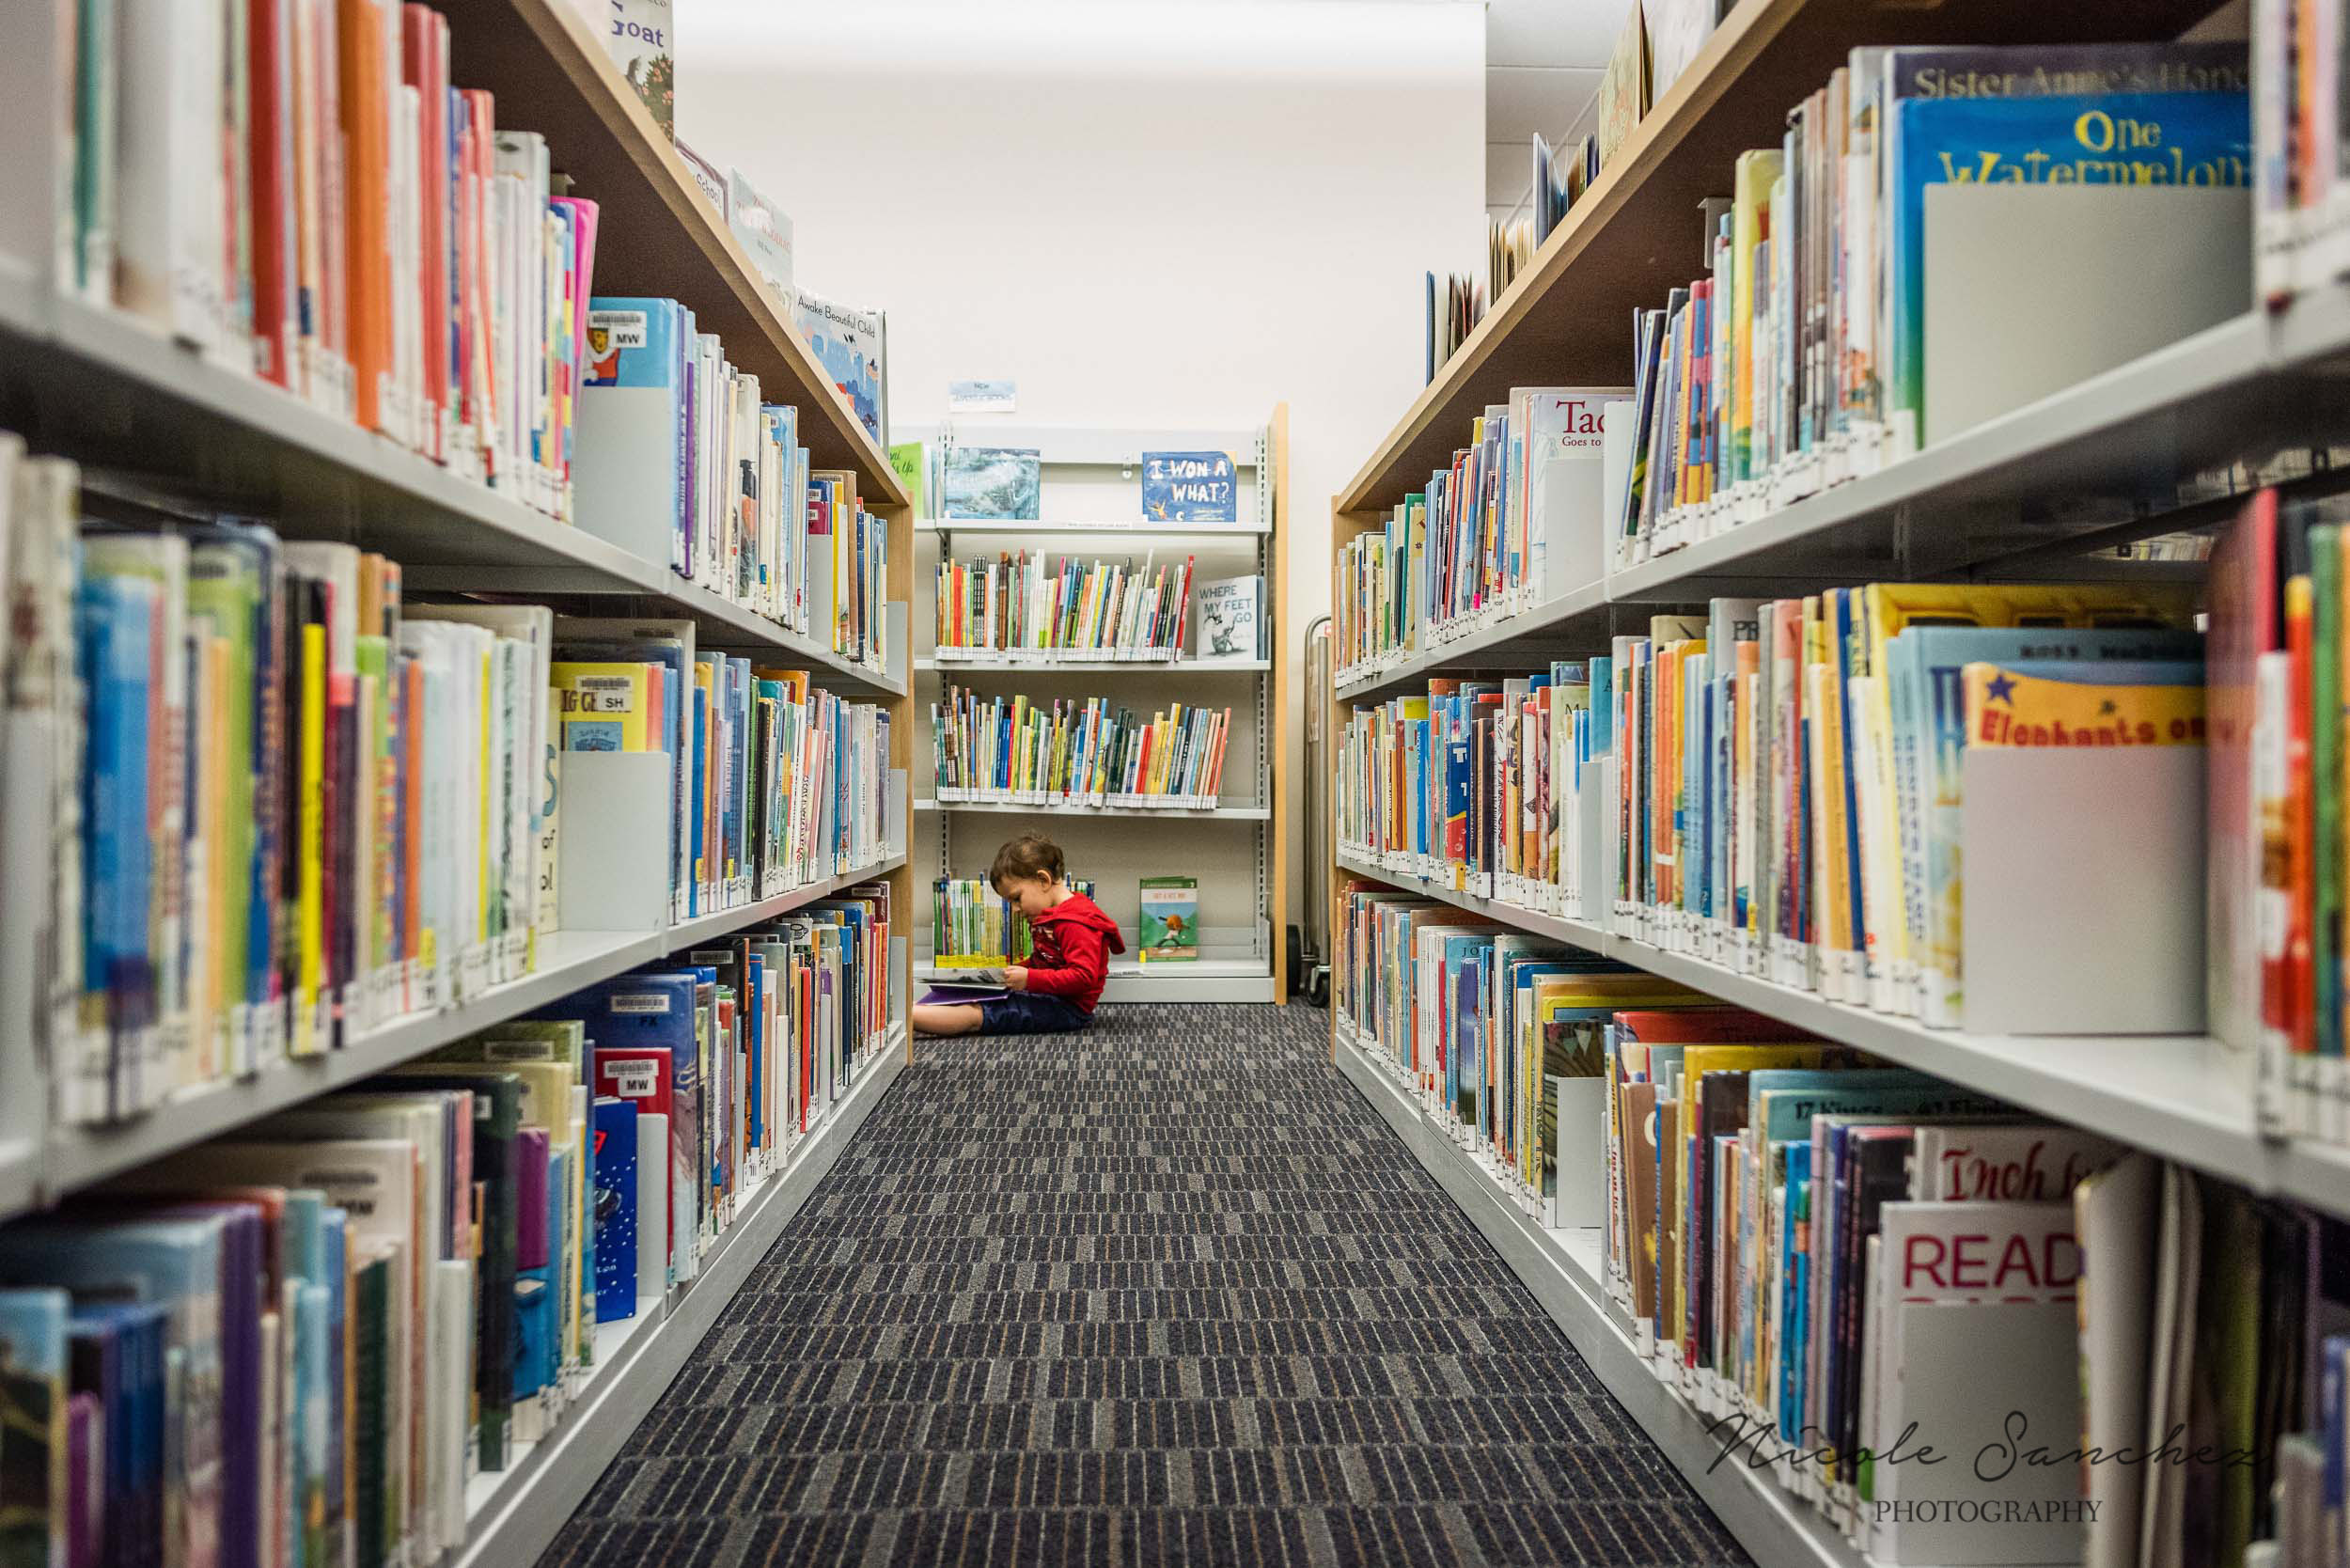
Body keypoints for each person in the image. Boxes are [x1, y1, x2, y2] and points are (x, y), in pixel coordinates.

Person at [914, 833, 1124, 1036]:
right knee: (980, 997)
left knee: (982, 1013)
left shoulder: (1075, 922)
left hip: (1068, 1009)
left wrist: (1029, 979)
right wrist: (1014, 972)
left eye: (1016, 898)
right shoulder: (1050, 916)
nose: (1015, 909)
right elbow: (1046, 961)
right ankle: (914, 1011)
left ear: (1043, 880)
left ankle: (908, 1016)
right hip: (1049, 995)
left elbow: (1082, 977)